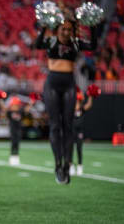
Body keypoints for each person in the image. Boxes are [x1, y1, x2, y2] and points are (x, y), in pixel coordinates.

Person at [35, 15, 97, 184]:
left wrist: (92, 26)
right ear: (57, 29)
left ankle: (66, 166)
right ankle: (57, 164)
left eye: (69, 29)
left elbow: (93, 45)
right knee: (55, 125)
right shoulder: (51, 41)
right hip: (52, 85)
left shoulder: (75, 42)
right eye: (63, 28)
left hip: (69, 83)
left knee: (68, 125)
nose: (66, 31)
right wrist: (44, 27)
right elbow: (37, 44)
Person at [0, 95, 33, 166]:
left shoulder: (20, 111)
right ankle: (12, 156)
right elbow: (4, 108)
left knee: (17, 142)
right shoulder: (10, 112)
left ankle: (16, 156)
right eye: (14, 105)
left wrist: (32, 101)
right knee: (13, 142)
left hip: (19, 129)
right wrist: (0, 100)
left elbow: (27, 109)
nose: (15, 106)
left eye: (16, 105)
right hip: (12, 129)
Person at [70, 88, 93, 176]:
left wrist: (91, 96)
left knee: (79, 148)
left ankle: (80, 166)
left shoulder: (82, 109)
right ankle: (71, 165)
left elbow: (89, 105)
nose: (77, 103)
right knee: (70, 149)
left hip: (79, 131)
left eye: (78, 102)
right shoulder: (70, 109)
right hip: (71, 131)